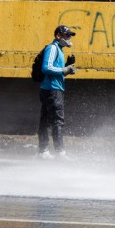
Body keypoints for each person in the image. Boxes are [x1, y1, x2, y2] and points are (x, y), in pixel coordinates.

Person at [37, 25, 77, 159]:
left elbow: (55, 71)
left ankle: (44, 151)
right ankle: (59, 153)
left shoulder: (59, 50)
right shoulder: (53, 48)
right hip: (52, 90)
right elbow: (46, 68)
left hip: (52, 88)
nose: (69, 38)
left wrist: (66, 66)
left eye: (69, 36)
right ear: (58, 36)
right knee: (57, 120)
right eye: (67, 35)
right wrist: (63, 70)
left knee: (47, 120)